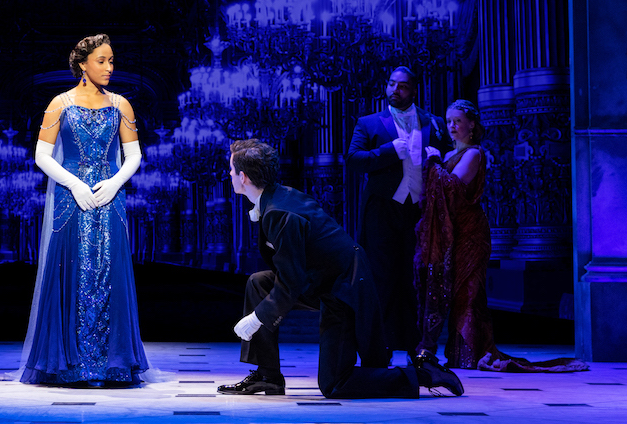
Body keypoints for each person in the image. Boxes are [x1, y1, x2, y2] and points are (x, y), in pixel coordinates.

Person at [219, 139, 464, 398]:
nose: (231, 175)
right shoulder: (278, 197)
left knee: (335, 384)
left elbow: (290, 284)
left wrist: (257, 318)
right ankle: (268, 377)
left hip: (343, 289)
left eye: (233, 170)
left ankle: (424, 374)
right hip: (321, 280)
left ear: (244, 177)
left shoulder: (279, 212)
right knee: (259, 282)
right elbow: (292, 273)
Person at [414, 100, 588, 373]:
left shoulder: (473, 153)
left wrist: (433, 161)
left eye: (458, 121)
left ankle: (468, 355)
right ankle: (461, 353)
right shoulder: (450, 154)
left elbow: (454, 188)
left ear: (472, 124)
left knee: (468, 293)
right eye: (449, 122)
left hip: (471, 233)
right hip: (455, 232)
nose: (452, 127)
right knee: (456, 290)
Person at [20, 34, 149, 386]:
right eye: (102, 61)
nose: (110, 67)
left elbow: (134, 154)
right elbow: (42, 156)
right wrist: (75, 184)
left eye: (111, 61)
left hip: (110, 198)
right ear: (82, 64)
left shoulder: (121, 104)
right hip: (71, 199)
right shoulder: (59, 103)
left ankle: (113, 363)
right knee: (70, 269)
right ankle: (68, 363)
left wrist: (115, 182)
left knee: (111, 270)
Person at [346, 66, 452, 360]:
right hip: (382, 208)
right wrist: (388, 151)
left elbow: (447, 158)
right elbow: (353, 160)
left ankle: (415, 343)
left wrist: (438, 157)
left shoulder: (434, 122)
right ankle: (382, 343)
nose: (395, 90)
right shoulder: (369, 123)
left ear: (413, 89)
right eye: (392, 84)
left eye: (402, 86)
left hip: (419, 209)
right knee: (382, 275)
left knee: (414, 275)